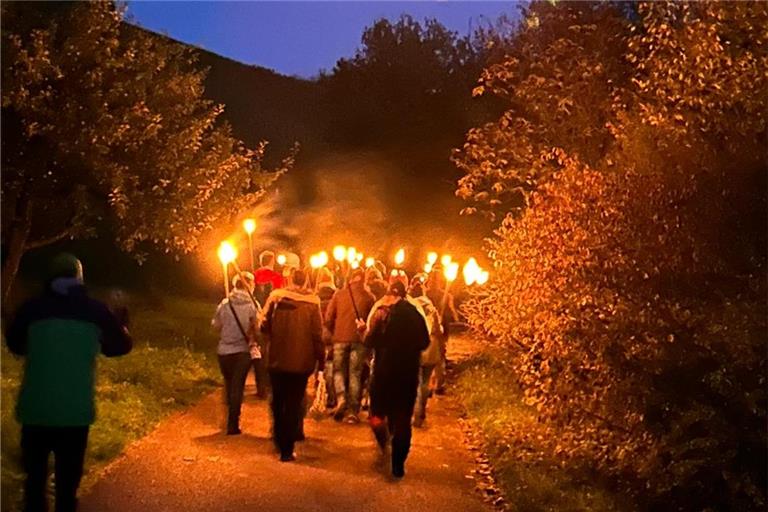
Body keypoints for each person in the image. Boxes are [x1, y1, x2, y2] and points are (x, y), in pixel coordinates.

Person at [6, 253, 132, 512]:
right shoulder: (96, 311)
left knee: (34, 484)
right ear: (79, 278)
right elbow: (119, 347)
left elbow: (15, 344)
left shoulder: (31, 308)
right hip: (75, 413)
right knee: (67, 489)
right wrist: (122, 323)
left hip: (35, 409)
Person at [364, 281, 430, 478]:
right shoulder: (415, 315)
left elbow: (370, 341)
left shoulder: (382, 313)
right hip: (407, 374)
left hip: (383, 374)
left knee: (376, 414)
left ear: (391, 295)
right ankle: (398, 463)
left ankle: (384, 440)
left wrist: (366, 331)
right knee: (402, 419)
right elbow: (424, 342)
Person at [260, 269, 324, 462]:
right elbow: (317, 335)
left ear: (289, 279)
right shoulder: (313, 303)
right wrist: (321, 360)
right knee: (294, 402)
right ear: (305, 282)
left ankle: (279, 438)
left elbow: (263, 325)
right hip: (301, 361)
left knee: (278, 401)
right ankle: (287, 447)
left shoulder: (275, 298)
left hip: (277, 358)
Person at [325, 268, 375, 423]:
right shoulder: (368, 297)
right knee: (355, 373)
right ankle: (353, 410)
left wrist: (334, 329)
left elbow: (328, 317)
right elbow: (372, 320)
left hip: (340, 338)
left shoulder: (339, 295)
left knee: (338, 370)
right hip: (359, 340)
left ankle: (341, 398)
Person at [212, 272, 259, 435]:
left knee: (229, 383)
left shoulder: (224, 304)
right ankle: (232, 423)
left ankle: (227, 417)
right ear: (250, 285)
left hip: (224, 352)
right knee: (237, 387)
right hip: (242, 351)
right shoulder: (252, 306)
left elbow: (216, 325)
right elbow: (257, 328)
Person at [408, 276, 442, 428]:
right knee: (425, 381)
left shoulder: (410, 308)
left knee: (415, 381)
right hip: (431, 347)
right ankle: (420, 410)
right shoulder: (431, 308)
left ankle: (415, 412)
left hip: (414, 348)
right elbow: (438, 330)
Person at [252, 250, 282, 398]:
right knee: (271, 351)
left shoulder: (253, 276)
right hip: (272, 319)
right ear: (272, 261)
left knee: (258, 350)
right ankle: (269, 383)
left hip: (255, 315)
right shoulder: (277, 277)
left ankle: (261, 384)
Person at [425, 268, 458, 395]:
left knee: (427, 356)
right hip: (439, 329)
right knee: (439, 357)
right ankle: (438, 384)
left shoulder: (425, 294)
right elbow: (452, 313)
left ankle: (428, 384)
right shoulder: (444, 295)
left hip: (427, 327)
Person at [315, 267, 337, 409]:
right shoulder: (336, 296)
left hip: (318, 334)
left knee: (320, 363)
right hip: (332, 333)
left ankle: (319, 387)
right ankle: (331, 394)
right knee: (331, 364)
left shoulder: (314, 296)